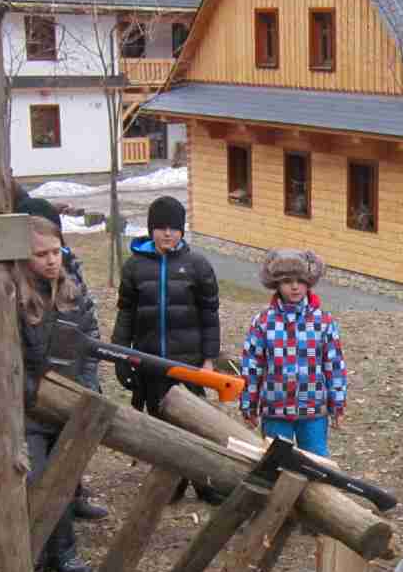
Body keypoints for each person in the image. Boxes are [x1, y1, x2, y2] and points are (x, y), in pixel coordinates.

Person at [110, 195, 221, 501]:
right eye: (161, 227)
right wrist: (121, 355)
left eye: (174, 227)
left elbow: (210, 315)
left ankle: (205, 482)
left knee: (196, 424)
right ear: (151, 230)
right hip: (150, 361)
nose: (168, 233)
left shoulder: (197, 265)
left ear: (182, 230)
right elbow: (126, 314)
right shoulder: (134, 267)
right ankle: (170, 482)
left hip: (188, 361)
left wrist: (209, 359)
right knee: (160, 422)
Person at [18, 195, 109, 521]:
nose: (52, 260)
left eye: (56, 252)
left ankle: (65, 547)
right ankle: (39, 552)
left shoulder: (73, 293)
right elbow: (11, 357)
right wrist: (32, 393)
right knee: (38, 479)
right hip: (30, 407)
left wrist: (85, 387)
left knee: (67, 475)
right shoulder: (15, 299)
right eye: (41, 254)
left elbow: (90, 345)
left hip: (69, 398)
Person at [239, 249, 346, 454]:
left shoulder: (323, 321)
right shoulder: (263, 322)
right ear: (276, 284)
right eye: (287, 281)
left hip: (313, 410)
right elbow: (251, 367)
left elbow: (334, 366)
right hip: (275, 410)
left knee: (317, 464)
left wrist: (337, 405)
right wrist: (248, 405)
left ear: (309, 283)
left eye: (300, 281)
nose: (295, 286)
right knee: (274, 465)